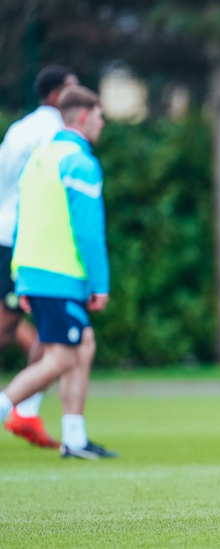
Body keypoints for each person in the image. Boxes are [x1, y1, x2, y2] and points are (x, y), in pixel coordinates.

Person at [0, 84, 116, 460]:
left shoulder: (39, 158)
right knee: (63, 357)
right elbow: (88, 231)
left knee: (83, 345)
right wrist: (99, 284)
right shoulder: (79, 163)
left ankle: (75, 438)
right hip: (60, 274)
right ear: (83, 116)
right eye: (99, 115)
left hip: (34, 272)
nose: (102, 122)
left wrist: (20, 276)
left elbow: (20, 223)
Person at [0, 65, 79, 449]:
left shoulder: (18, 129)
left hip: (9, 237)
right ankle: (21, 408)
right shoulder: (55, 134)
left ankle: (26, 411)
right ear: (54, 95)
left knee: (32, 330)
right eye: (72, 89)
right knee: (11, 327)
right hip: (29, 242)